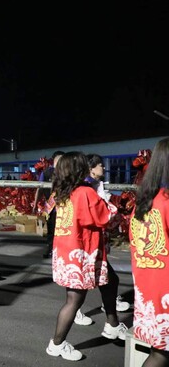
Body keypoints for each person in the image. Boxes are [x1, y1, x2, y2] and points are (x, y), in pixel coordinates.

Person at [46, 151, 127, 361]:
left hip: (67, 251)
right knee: (74, 300)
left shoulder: (62, 191)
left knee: (110, 281)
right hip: (81, 252)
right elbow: (107, 216)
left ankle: (113, 324)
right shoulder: (84, 192)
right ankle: (56, 344)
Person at [73, 153, 130, 325]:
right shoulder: (86, 189)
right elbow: (103, 215)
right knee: (80, 290)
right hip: (88, 244)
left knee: (106, 281)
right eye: (99, 165)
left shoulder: (93, 186)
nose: (103, 167)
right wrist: (115, 213)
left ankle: (110, 318)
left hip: (94, 242)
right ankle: (61, 336)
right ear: (90, 168)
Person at [129, 137, 169, 367]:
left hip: (148, 287)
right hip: (164, 288)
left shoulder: (144, 200)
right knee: (161, 354)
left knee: (159, 351)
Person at [33, 151, 65, 258]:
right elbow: (40, 188)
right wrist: (35, 204)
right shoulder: (46, 173)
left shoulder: (67, 173)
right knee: (51, 230)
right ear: (54, 160)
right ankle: (50, 249)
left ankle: (61, 251)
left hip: (64, 208)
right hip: (51, 208)